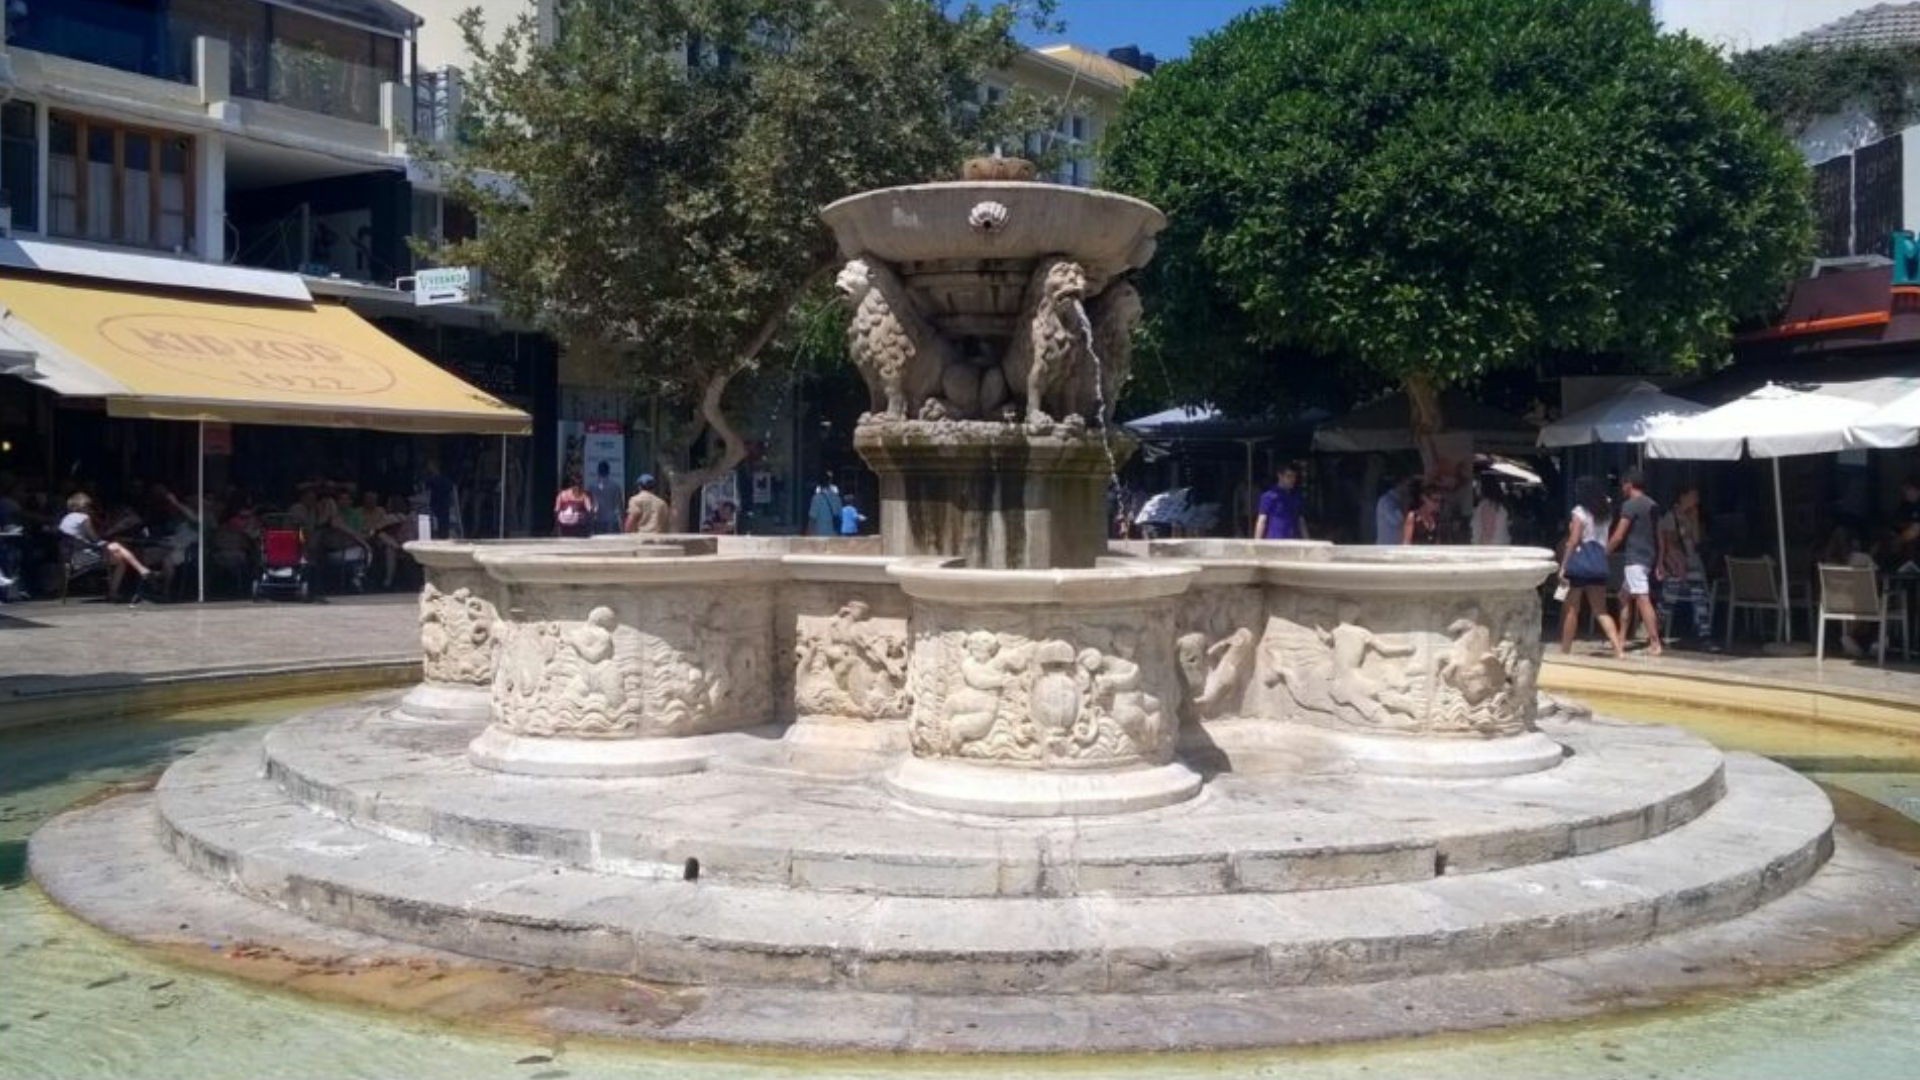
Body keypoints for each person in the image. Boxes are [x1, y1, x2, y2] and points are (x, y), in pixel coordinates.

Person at [1559, 476, 1626, 659]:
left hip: (1580, 564)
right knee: (1601, 611)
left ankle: (1565, 650)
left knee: (1572, 609)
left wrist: (1563, 566)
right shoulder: (1606, 513)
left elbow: (1573, 541)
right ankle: (1618, 649)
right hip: (1599, 563)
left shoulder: (1579, 512)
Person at [59, 492, 157, 605]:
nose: (90, 508)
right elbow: (94, 538)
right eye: (88, 506)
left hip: (71, 557)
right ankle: (142, 571)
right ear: (81, 506)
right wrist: (105, 542)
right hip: (84, 557)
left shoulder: (66, 518)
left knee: (120, 560)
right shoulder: (83, 517)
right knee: (117, 547)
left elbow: (78, 539)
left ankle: (122, 586)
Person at [1608, 467, 1664, 656]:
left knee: (1642, 598)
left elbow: (1619, 535)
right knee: (1623, 597)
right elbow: (1659, 535)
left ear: (1629, 485)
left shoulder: (1630, 505)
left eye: (1623, 485)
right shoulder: (1653, 504)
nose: (1622, 489)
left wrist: (1604, 552)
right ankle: (1622, 638)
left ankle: (1655, 642)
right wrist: (1660, 560)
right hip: (1648, 557)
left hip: (1635, 558)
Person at [1656, 485, 1716, 651]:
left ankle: (1705, 636)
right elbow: (1669, 543)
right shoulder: (1671, 516)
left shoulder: (1692, 515)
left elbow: (1696, 541)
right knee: (1668, 600)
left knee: (1700, 600)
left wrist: (1694, 519)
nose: (1696, 499)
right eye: (1693, 496)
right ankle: (1654, 631)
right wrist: (1677, 564)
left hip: (1693, 562)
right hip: (1677, 563)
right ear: (1682, 497)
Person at [1254, 464, 1308, 541]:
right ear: (1280, 476)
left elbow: (1301, 521)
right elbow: (1262, 520)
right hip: (1274, 542)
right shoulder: (1268, 496)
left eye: (1294, 477)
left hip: (1293, 542)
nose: (1293, 480)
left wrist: (1308, 541)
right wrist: (1257, 543)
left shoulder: (1296, 497)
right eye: (1289, 476)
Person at [587, 460, 624, 536]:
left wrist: (589, 522)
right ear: (608, 471)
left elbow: (589, 505)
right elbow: (620, 505)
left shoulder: (591, 486)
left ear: (598, 471)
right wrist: (622, 521)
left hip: (596, 519)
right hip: (611, 521)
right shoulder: (616, 486)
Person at [1470, 478, 1511, 546]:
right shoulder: (1499, 505)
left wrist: (1480, 552)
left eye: (1479, 486)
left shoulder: (1487, 506)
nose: (1476, 488)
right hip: (1500, 545)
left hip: (1490, 548)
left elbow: (1487, 534)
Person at [423, 460, 456, 540]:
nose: (429, 468)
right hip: (442, 508)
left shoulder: (433, 479)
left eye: (430, 466)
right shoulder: (441, 479)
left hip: (438, 507)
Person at [553, 473, 593, 538]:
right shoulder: (584, 496)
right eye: (577, 484)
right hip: (574, 530)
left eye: (579, 485)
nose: (577, 487)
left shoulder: (562, 495)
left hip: (570, 529)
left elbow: (556, 511)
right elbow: (589, 510)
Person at [1373, 478, 1406, 546]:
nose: (1409, 487)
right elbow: (1396, 521)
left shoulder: (1398, 501)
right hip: (1386, 546)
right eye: (1407, 484)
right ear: (1399, 485)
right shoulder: (1387, 501)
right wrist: (1404, 506)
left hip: (1396, 546)